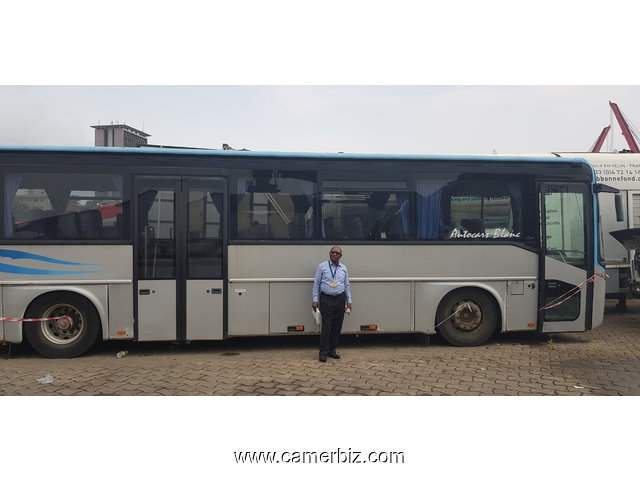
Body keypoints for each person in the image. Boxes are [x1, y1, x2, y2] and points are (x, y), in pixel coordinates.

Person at [312, 246, 352, 362]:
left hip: (340, 299)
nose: (334, 254)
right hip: (326, 299)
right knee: (326, 326)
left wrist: (349, 301)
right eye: (332, 252)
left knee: (337, 326)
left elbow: (347, 285)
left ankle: (332, 350)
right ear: (329, 254)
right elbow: (316, 284)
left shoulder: (344, 268)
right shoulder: (322, 266)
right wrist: (315, 300)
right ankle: (323, 352)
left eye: (337, 253)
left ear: (341, 256)